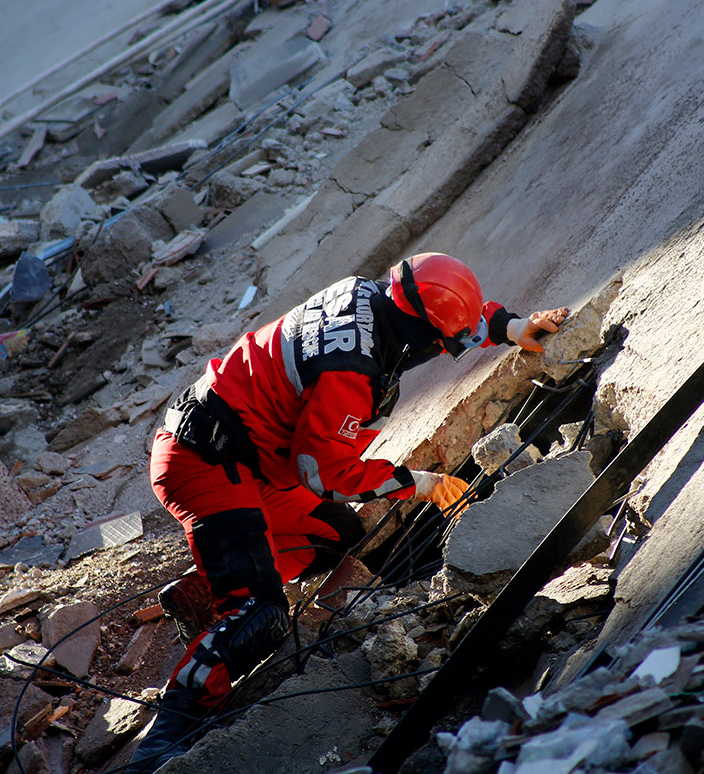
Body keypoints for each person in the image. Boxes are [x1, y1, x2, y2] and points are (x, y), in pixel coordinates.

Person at [129, 252, 567, 771]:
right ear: (416, 331)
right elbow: (323, 472)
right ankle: (164, 735)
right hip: (205, 461)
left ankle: (203, 588)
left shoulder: (377, 298)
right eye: (439, 344)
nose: (440, 351)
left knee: (332, 537)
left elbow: (449, 315)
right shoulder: (350, 370)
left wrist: (514, 326)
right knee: (261, 616)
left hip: (253, 459)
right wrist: (417, 483)